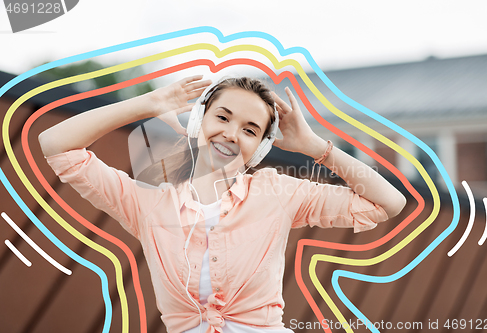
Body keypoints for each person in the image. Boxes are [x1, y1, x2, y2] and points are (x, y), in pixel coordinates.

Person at [39, 75, 406, 333]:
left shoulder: (278, 193)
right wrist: (147, 103)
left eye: (249, 129)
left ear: (261, 147)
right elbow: (56, 145)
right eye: (223, 117)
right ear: (200, 120)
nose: (231, 134)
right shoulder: (148, 201)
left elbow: (388, 202)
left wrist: (314, 147)